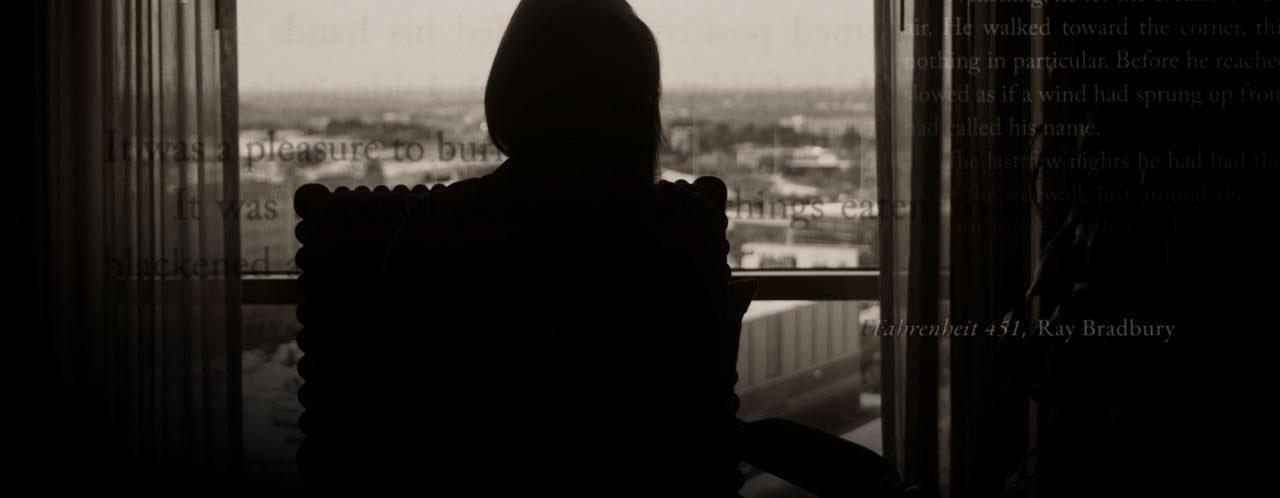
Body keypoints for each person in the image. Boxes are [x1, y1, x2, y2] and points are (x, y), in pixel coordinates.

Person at [370, 1, 741, 495]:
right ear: (640, 104)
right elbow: (702, 430)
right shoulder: (685, 227)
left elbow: (401, 420)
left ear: (511, 92)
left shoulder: (442, 226)